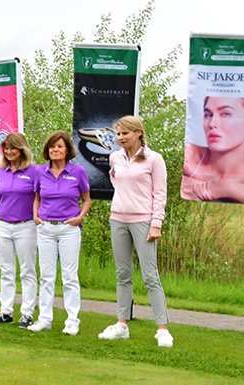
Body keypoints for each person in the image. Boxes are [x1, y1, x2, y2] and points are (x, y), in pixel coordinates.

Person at [98, 116, 173, 347]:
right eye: (118, 134)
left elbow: (159, 193)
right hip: (118, 219)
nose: (120, 138)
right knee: (123, 274)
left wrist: (156, 223)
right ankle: (122, 325)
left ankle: (162, 330)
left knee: (150, 276)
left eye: (125, 133)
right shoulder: (115, 158)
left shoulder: (154, 159)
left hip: (144, 222)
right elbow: (117, 182)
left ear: (138, 133)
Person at [29, 132, 91, 335]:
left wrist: (80, 217)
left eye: (59, 147)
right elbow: (37, 197)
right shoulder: (40, 171)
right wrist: (36, 216)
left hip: (69, 229)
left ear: (67, 150)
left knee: (69, 276)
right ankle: (44, 318)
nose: (55, 150)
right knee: (46, 276)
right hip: (45, 228)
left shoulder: (78, 171)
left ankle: (72, 320)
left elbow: (87, 199)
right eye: (52, 147)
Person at [0, 132, 39, 327]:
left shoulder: (34, 171)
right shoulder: (1, 171)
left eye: (13, 148)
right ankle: (6, 311)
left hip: (25, 225)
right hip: (2, 224)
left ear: (22, 149)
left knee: (27, 270)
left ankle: (27, 314)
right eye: (6, 148)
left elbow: (39, 197)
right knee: (6, 270)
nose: (9, 152)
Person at [181, 96, 244, 202]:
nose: (212, 124)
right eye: (207, 115)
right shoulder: (191, 159)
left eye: (225, 114)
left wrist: (228, 188)